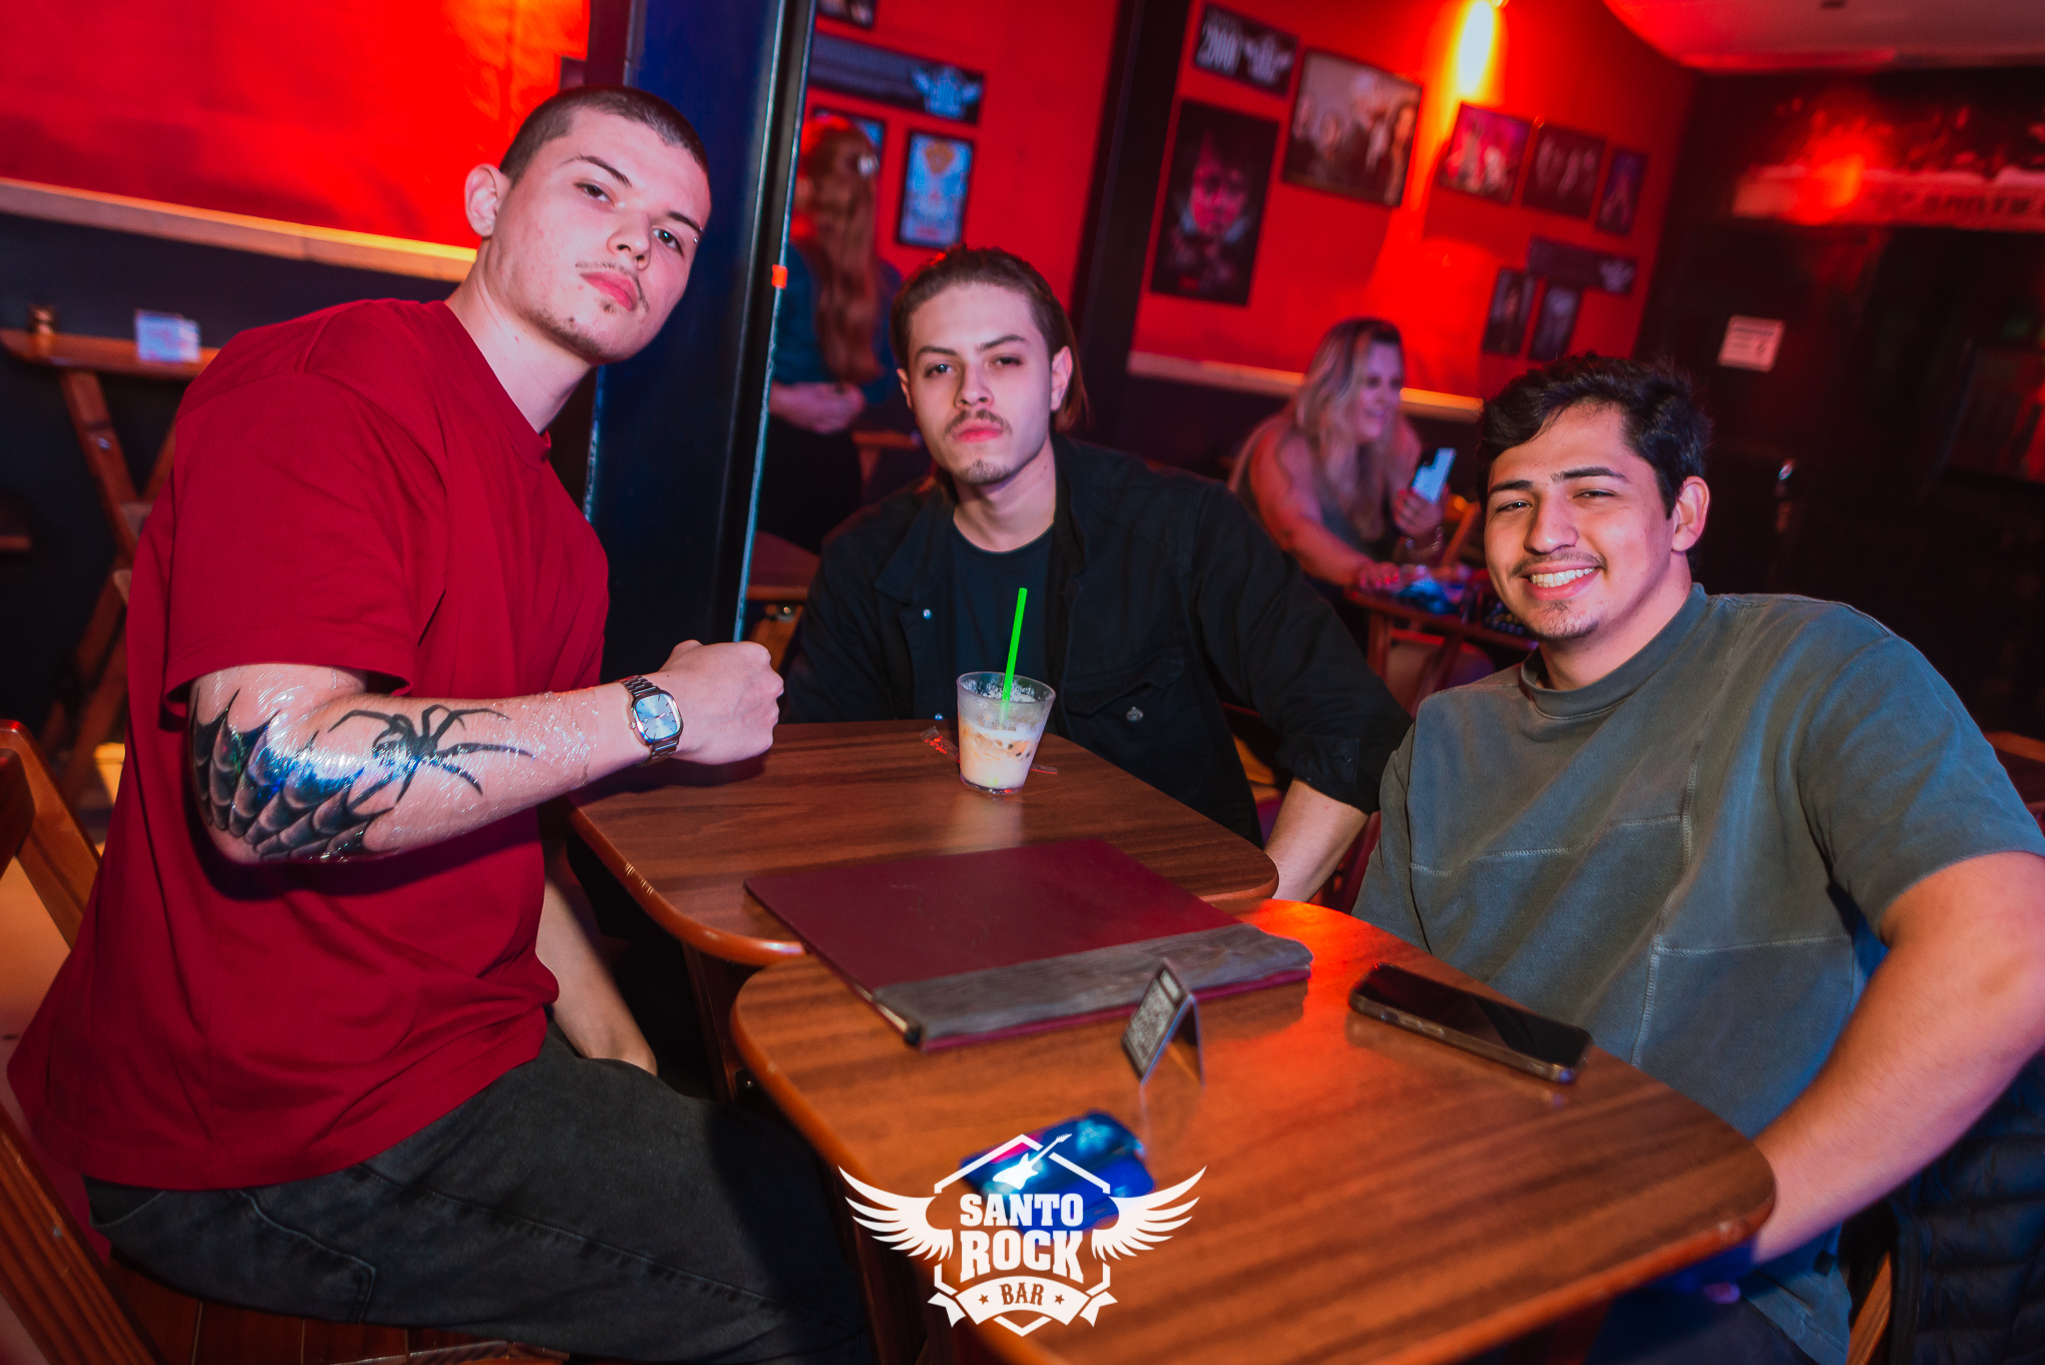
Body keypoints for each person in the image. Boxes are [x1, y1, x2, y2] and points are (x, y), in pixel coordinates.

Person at [8, 85, 870, 1364]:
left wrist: (620, 1053)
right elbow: (260, 787)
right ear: (486, 201)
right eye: (597, 190)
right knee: (850, 1287)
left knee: (836, 1189)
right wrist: (654, 709)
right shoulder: (324, 392)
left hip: (455, 1058)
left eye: (674, 235)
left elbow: (501, 842)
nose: (636, 241)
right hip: (261, 1134)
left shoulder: (564, 545)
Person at [1354, 354, 2045, 1365]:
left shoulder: (1815, 665)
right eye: (1512, 502)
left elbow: (2008, 955)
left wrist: (1731, 1218)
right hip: (1454, 1219)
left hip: (1708, 1287)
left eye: (1592, 492)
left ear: (1682, 514)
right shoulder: (1446, 736)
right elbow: (1380, 1018)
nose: (1544, 533)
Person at [782, 246, 1409, 900]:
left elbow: (1356, 724)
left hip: (1157, 916)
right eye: (941, 367)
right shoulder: (862, 563)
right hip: (938, 907)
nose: (972, 390)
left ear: (1057, 378)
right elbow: (813, 779)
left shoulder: (1182, 528)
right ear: (911, 394)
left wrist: (1251, 926)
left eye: (1004, 359)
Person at [759, 117, 910, 552]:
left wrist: (780, 401)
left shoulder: (780, 262)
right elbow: (893, 373)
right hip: (835, 464)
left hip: (770, 457)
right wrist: (855, 399)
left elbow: (728, 358)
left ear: (804, 182)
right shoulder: (885, 279)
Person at [1232, 317, 1444, 594]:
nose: (1387, 398)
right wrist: (1364, 571)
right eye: (1371, 382)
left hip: (1350, 617)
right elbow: (1294, 532)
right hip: (1270, 611)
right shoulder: (1283, 443)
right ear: (1334, 384)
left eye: (1395, 383)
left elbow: (1422, 567)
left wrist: (1427, 533)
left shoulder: (1396, 443)